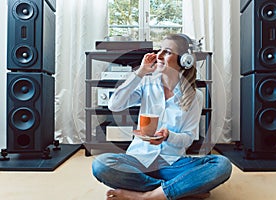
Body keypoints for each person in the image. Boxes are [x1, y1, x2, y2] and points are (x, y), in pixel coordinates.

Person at [92, 33, 232, 200]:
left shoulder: (194, 97)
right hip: (139, 160)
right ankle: (179, 189)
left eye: (167, 51)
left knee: (222, 165)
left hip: (173, 163)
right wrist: (140, 72)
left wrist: (168, 136)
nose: (158, 56)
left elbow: (188, 139)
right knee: (101, 165)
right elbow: (114, 105)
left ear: (183, 60)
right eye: (159, 50)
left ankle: (146, 196)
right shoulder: (146, 84)